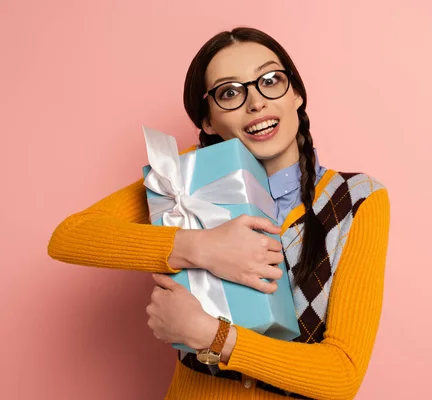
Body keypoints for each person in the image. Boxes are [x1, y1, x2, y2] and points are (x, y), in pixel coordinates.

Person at [48, 26, 390, 400]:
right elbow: (70, 236)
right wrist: (203, 247)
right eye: (230, 92)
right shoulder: (186, 179)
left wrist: (212, 336)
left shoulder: (356, 199)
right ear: (208, 121)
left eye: (270, 80)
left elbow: (341, 376)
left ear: (295, 94)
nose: (256, 102)